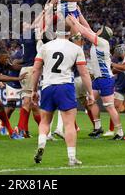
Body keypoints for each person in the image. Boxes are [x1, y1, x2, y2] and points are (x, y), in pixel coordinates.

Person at [31, 24, 94, 166]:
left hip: (47, 86)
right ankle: (72, 158)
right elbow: (84, 73)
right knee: (69, 124)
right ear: (69, 33)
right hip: (65, 86)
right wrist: (90, 93)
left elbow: (36, 70)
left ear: (56, 32)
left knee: (45, 121)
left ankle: (42, 144)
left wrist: (34, 90)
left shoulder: (45, 47)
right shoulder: (76, 48)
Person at [67, 16, 124, 139]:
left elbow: (84, 31)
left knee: (109, 106)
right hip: (98, 79)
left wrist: (74, 21)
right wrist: (79, 14)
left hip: (105, 79)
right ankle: (98, 127)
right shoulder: (98, 40)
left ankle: (119, 131)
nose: (96, 30)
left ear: (102, 33)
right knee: (90, 100)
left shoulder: (103, 42)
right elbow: (86, 27)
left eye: (99, 30)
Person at [15, 24, 42, 138]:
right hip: (31, 70)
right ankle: (19, 129)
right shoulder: (32, 37)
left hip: (27, 69)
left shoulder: (24, 38)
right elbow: (39, 24)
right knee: (27, 102)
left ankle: (40, 130)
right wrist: (47, 10)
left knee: (33, 105)